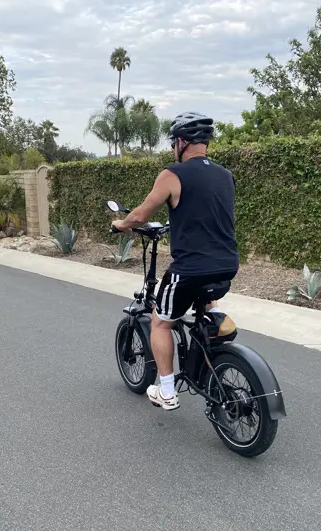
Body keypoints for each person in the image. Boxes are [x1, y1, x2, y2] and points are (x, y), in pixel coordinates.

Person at [111, 111, 239, 411]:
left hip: (190, 268)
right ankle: (215, 319)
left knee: (160, 322)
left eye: (173, 144)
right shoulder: (225, 175)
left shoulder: (172, 174)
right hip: (227, 263)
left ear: (182, 142)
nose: (172, 149)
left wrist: (122, 224)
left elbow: (142, 214)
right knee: (203, 296)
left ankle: (167, 391)